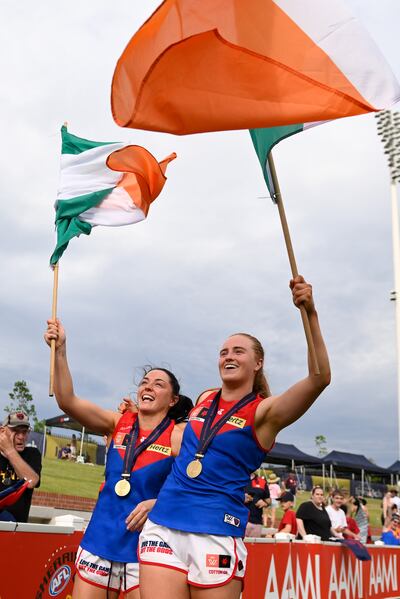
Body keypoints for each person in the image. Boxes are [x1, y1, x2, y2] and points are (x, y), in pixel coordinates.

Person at [139, 275, 330, 599]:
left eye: (238, 351)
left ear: (258, 362)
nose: (228, 356)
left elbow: (319, 378)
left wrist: (309, 314)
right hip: (164, 525)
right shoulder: (203, 400)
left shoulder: (264, 413)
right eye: (223, 351)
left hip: (215, 531)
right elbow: (177, 447)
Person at [44, 320, 192, 599]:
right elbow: (67, 400)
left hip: (147, 547)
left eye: (158, 385)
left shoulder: (178, 436)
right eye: (145, 383)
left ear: (172, 400)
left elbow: (202, 481)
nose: (148, 387)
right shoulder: (117, 422)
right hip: (101, 539)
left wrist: (159, 502)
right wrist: (61, 350)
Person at [0, 411, 41, 522]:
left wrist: (9, 450)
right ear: (2, 432)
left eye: (25, 432)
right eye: (16, 432)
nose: (21, 437)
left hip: (16, 528)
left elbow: (31, 481)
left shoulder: (32, 454)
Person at [244, 472, 270, 537]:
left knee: (254, 546)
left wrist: (265, 503)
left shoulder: (262, 482)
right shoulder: (239, 479)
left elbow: (268, 500)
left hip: (257, 522)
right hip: (241, 521)